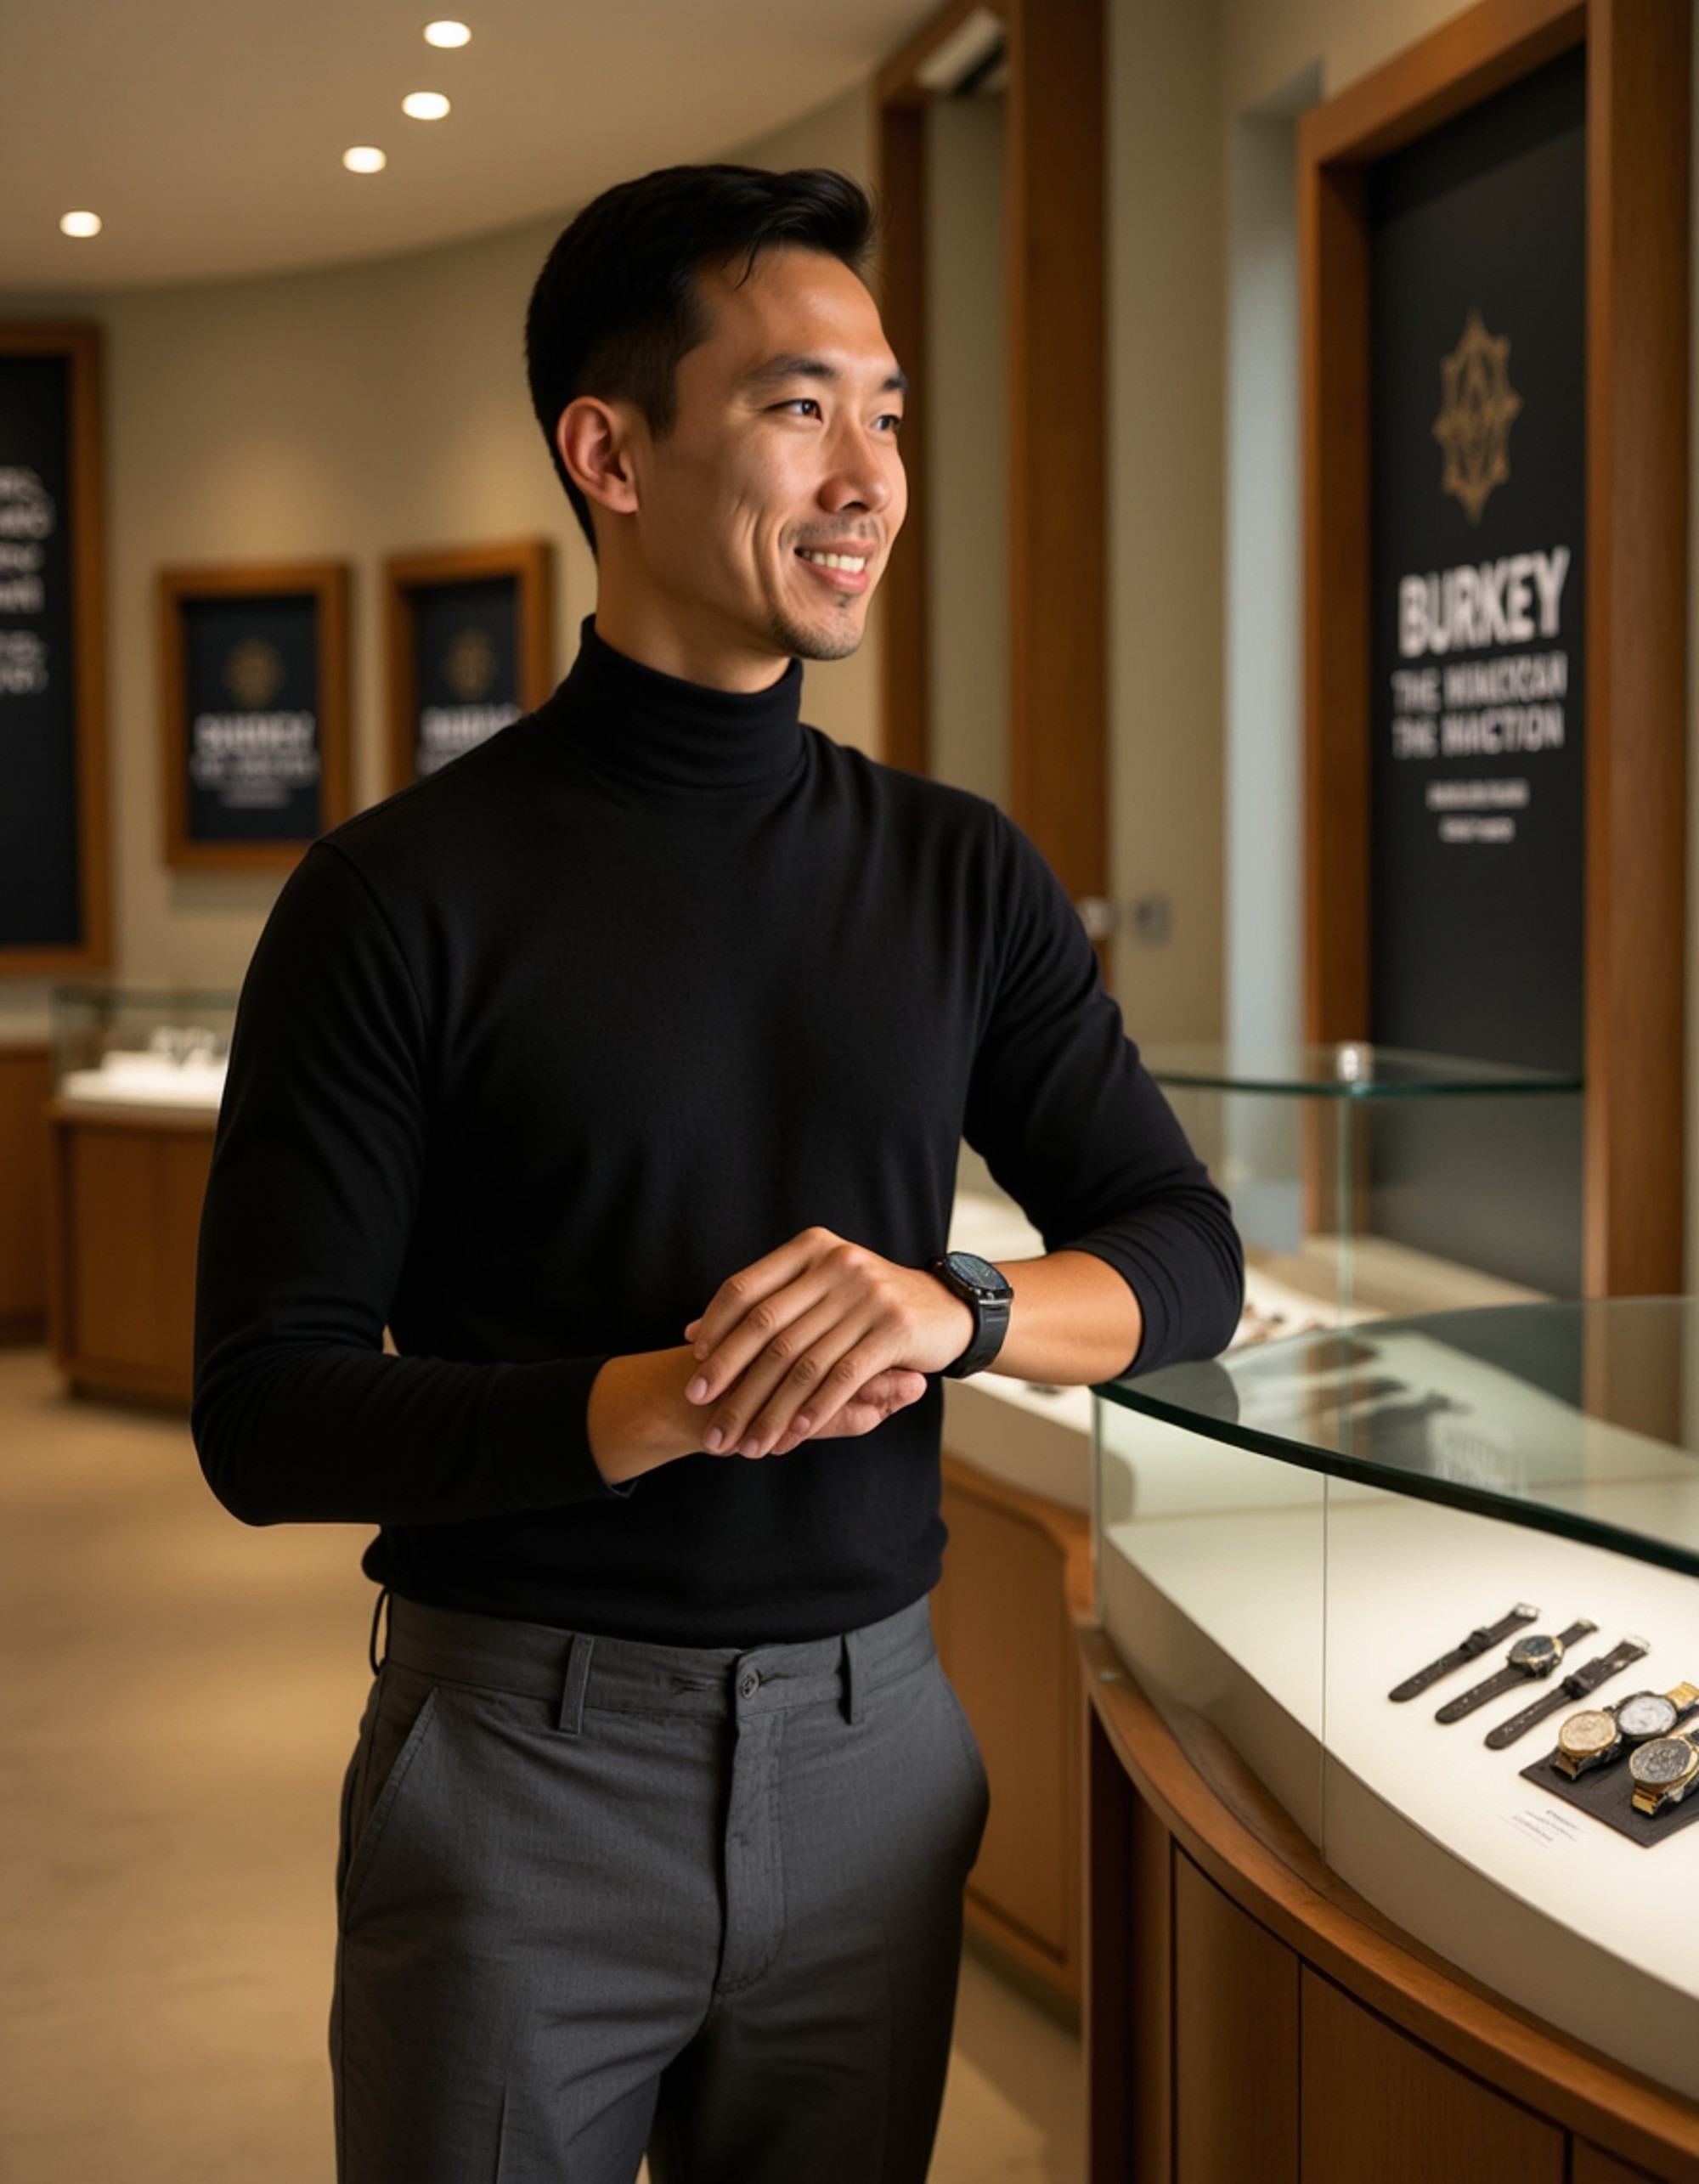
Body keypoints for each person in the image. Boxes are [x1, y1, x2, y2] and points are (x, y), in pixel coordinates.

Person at [192, 163, 1242, 2184]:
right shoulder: (394, 896)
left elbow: (1183, 1251)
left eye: (890, 410)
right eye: (796, 407)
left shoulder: (956, 872)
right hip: (518, 1768)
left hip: (878, 1760)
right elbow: (264, 1406)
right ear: (609, 449)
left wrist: (961, 1304)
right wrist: (654, 1398)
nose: (868, 473)